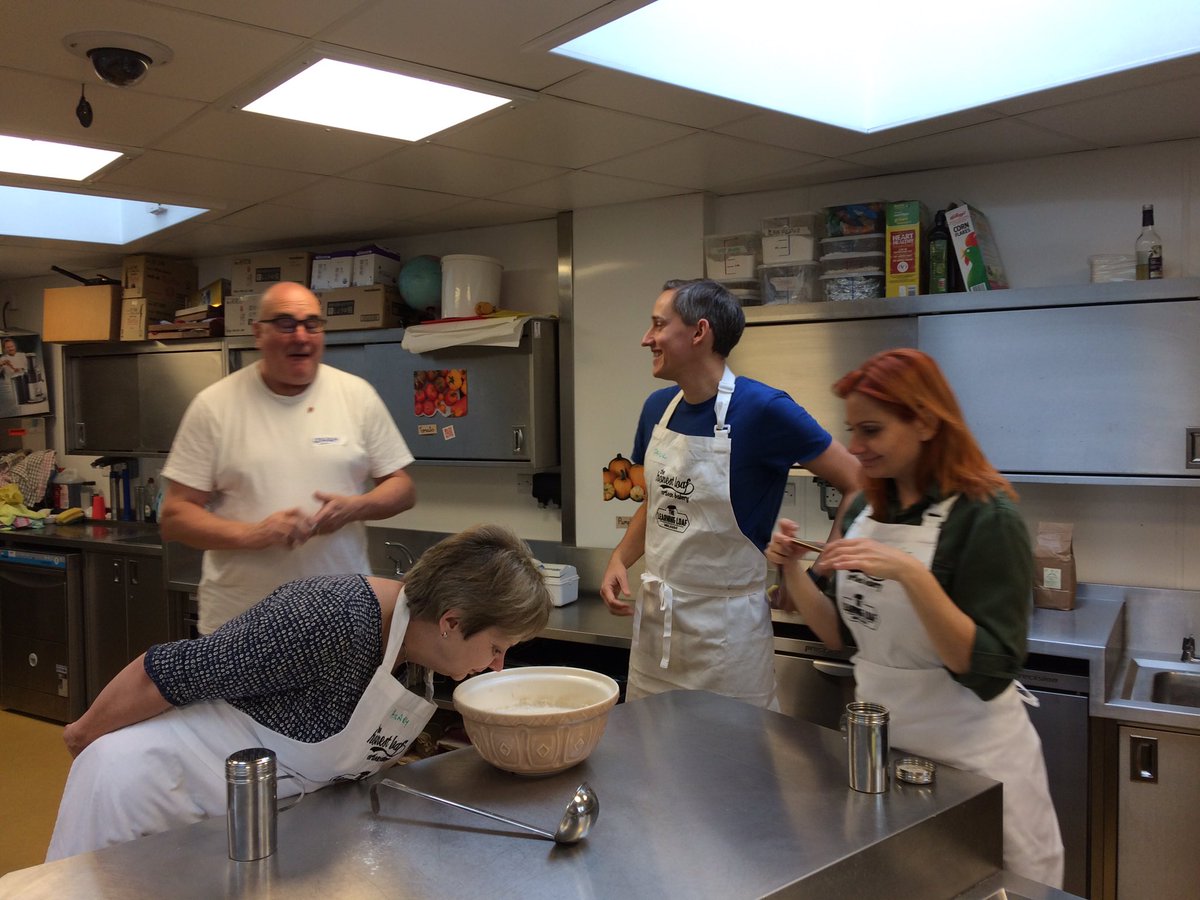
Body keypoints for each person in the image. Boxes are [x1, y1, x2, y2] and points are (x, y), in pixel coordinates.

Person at [46, 524, 552, 861]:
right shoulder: (328, 619)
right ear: (451, 621)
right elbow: (165, 670)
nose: (496, 665)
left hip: (244, 817)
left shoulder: (413, 656)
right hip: (151, 795)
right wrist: (82, 734)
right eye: (497, 648)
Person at [765, 348, 1064, 886]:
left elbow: (988, 668)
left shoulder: (986, 516)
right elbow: (838, 633)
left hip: (977, 768)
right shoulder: (862, 512)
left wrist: (912, 574)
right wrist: (790, 570)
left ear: (925, 421)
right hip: (883, 762)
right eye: (851, 430)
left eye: (872, 430)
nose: (855, 448)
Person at [600, 278, 859, 709]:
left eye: (658, 325)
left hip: (727, 640)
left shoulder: (764, 410)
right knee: (652, 760)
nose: (647, 338)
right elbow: (661, 499)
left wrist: (818, 575)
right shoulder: (656, 409)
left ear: (699, 333)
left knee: (731, 764)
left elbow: (858, 483)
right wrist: (619, 558)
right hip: (656, 636)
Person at [160, 281, 417, 633]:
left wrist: (354, 508)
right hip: (241, 624)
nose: (301, 335)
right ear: (258, 333)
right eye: (285, 323)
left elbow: (402, 488)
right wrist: (254, 534)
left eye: (312, 324)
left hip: (338, 622)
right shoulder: (214, 406)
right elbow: (175, 516)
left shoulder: (357, 396)